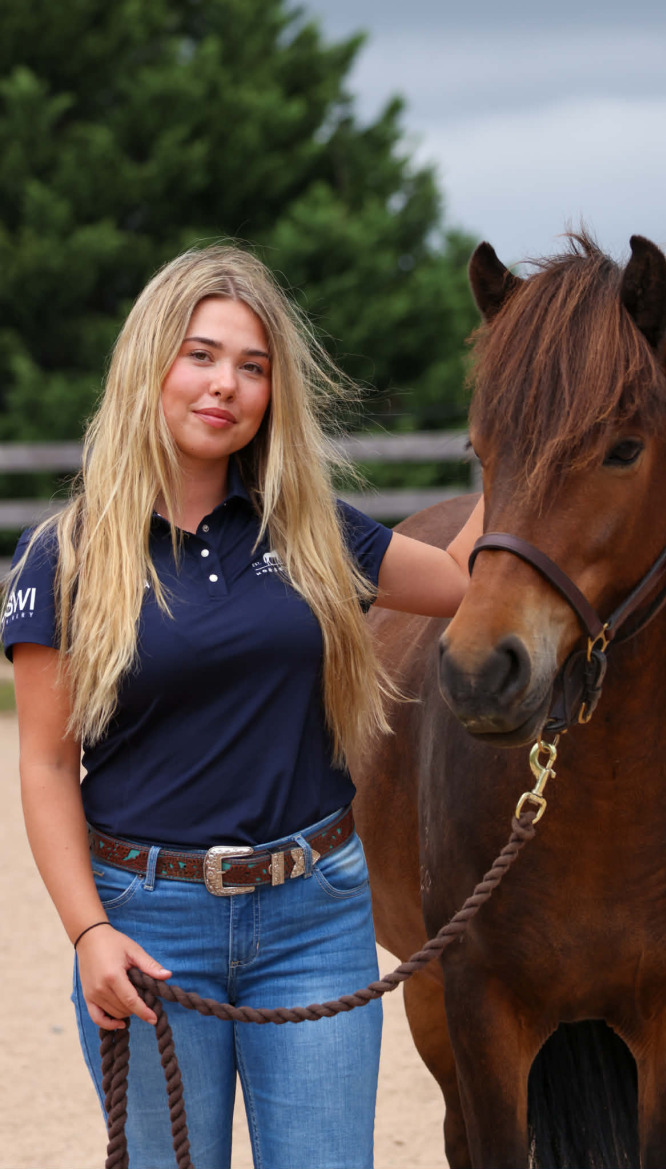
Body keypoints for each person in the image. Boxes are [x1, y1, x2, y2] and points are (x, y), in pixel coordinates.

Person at [2, 245, 483, 1169]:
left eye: (253, 367)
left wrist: (531, 440)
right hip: (145, 927)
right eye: (202, 355)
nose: (227, 384)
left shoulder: (313, 531)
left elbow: (465, 579)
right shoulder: (63, 554)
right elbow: (47, 764)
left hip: (315, 911)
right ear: (152, 364)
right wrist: (88, 931)